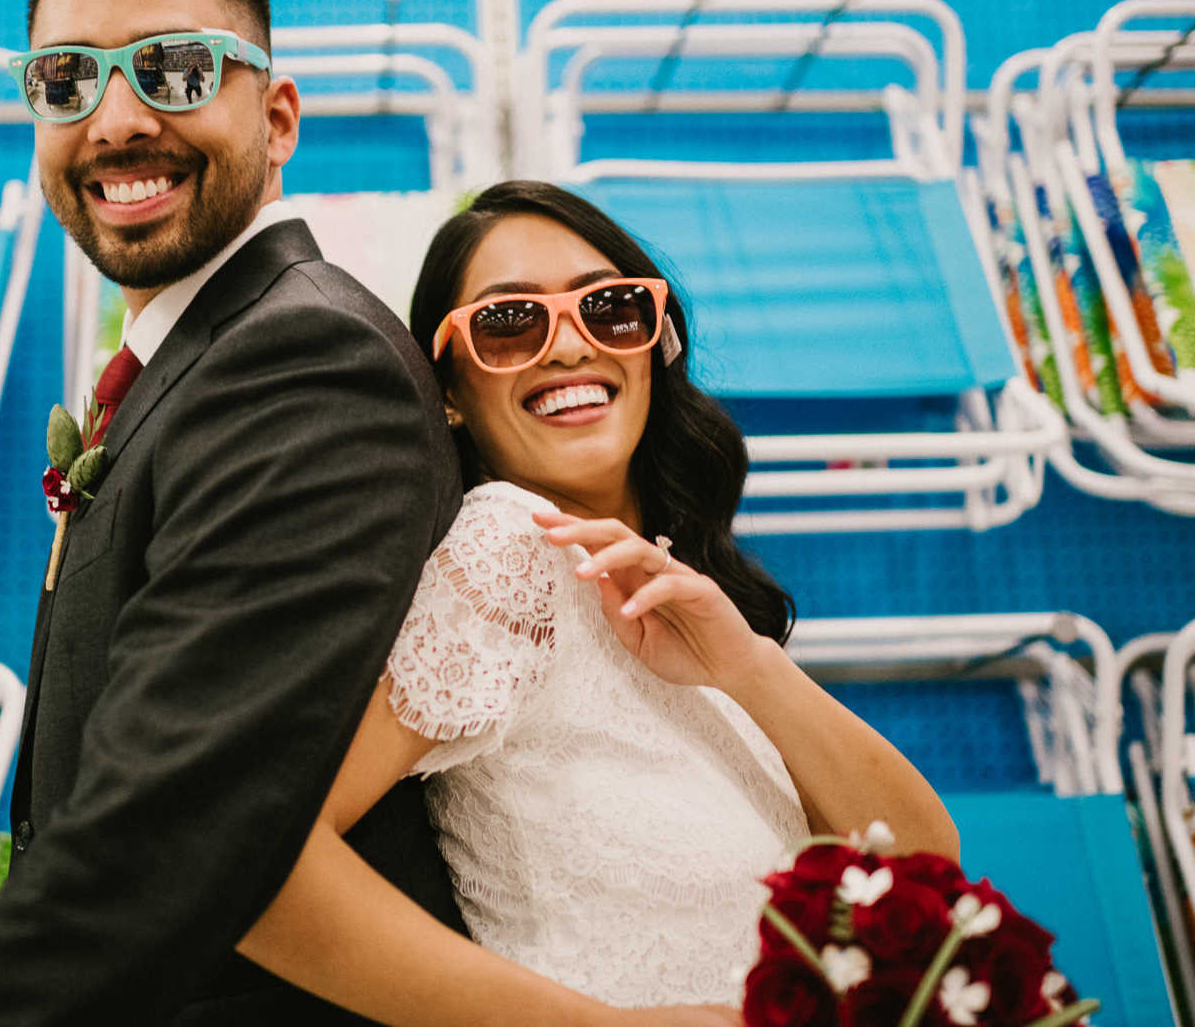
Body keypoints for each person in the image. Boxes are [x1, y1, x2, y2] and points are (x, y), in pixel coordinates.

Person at [0, 0, 476, 1024]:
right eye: (66, 79)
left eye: (173, 68)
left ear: (276, 119)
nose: (116, 120)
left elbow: (158, 833)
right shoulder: (189, 354)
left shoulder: (307, 365)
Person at [234, 181, 960, 1022]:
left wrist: (749, 667)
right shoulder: (510, 547)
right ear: (449, 394)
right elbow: (256, 865)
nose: (570, 345)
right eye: (510, 324)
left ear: (657, 343)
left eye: (611, 309)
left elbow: (921, 872)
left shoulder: (688, 603)